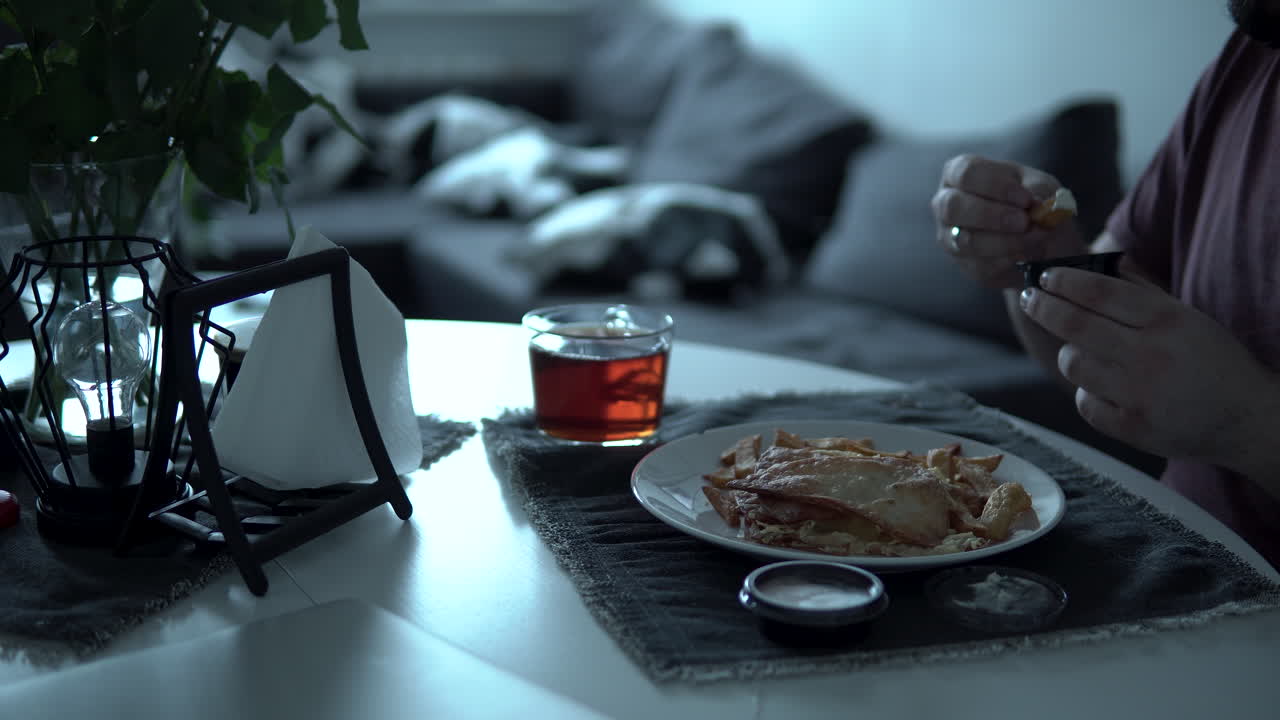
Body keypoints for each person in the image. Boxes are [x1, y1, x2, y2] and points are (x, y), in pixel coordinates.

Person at [931, 0, 1280, 569]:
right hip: (1185, 566)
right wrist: (1037, 259)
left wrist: (1252, 424)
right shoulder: (1251, 55)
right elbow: (1092, 359)